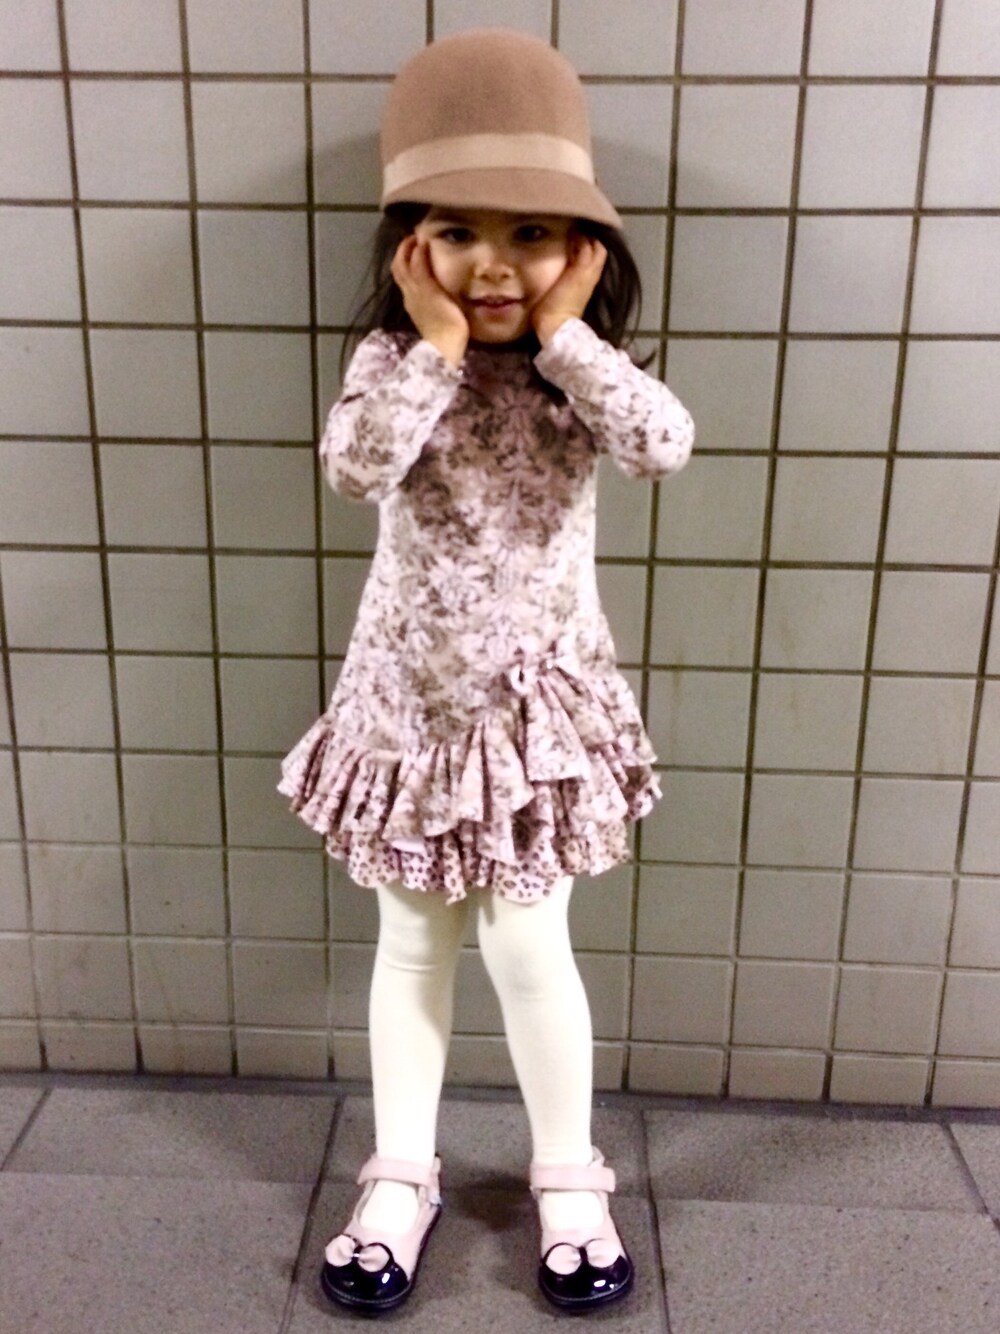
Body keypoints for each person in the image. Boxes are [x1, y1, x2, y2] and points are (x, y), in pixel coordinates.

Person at [278, 27, 694, 1317]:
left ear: (585, 251)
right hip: (407, 710)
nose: (495, 265)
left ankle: (569, 1177)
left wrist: (568, 340)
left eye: (532, 235)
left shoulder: (581, 381)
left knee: (528, 943)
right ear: (411, 248)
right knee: (412, 941)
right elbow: (355, 468)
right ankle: (401, 1175)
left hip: (537, 720)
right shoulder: (394, 367)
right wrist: (436, 347)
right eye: (458, 232)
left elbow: (662, 442)